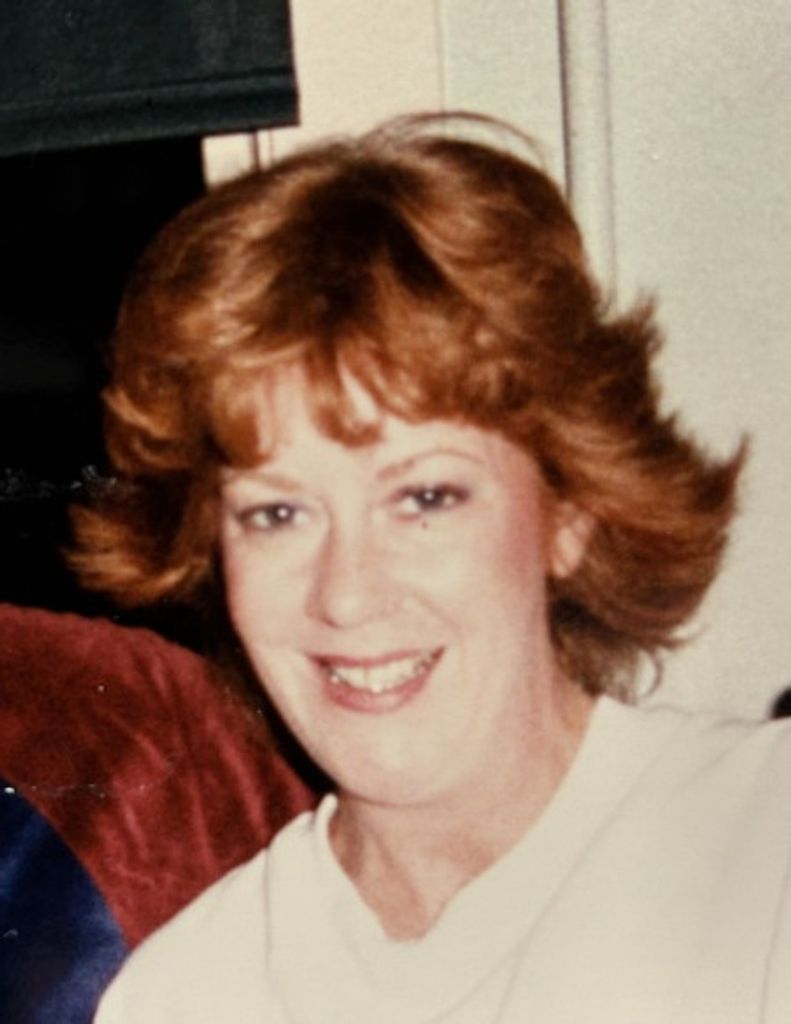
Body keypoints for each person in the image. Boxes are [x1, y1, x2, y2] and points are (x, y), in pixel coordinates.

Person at [82, 113, 790, 1022]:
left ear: (569, 514)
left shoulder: (761, 851)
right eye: (277, 514)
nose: (347, 594)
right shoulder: (184, 995)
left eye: (423, 498)